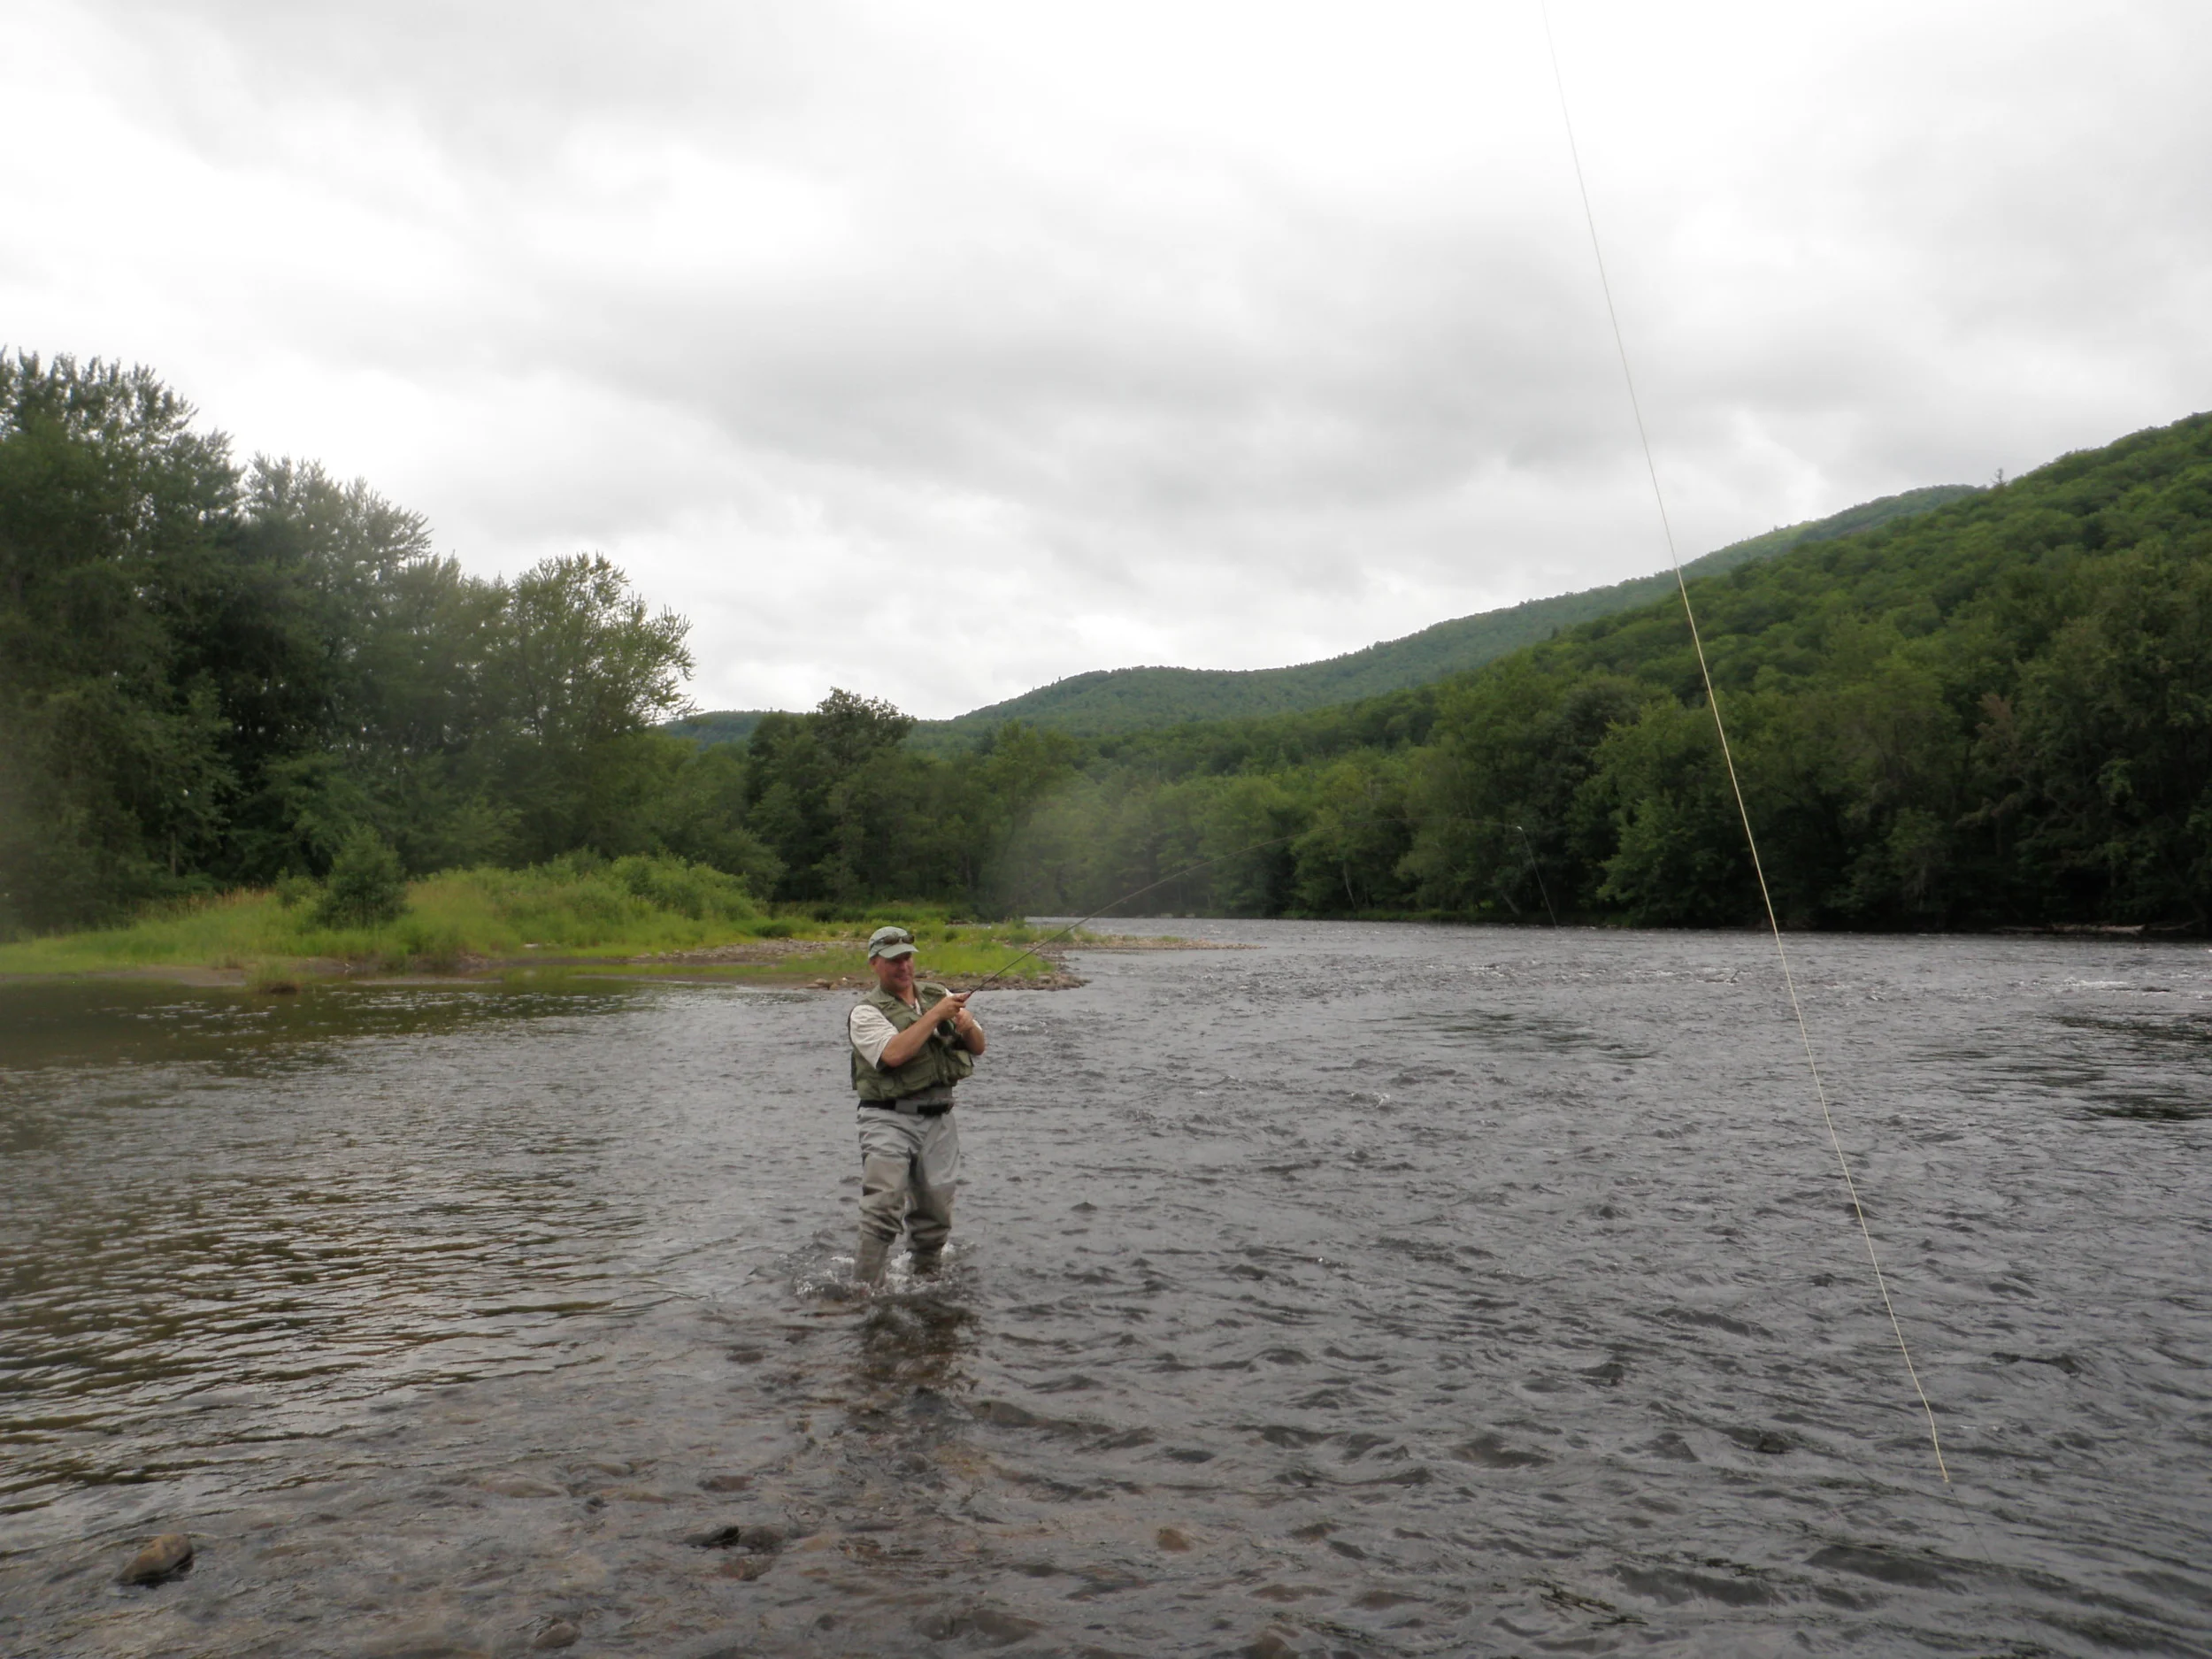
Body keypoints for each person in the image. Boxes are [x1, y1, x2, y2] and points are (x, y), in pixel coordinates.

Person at [845, 924, 987, 1284]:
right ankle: (863, 1291)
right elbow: (893, 1054)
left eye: (907, 958)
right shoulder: (864, 1013)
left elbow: (979, 1047)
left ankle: (926, 1283)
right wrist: (936, 1016)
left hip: (940, 1120)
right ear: (874, 964)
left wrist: (967, 1025)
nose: (903, 966)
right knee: (882, 1208)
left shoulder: (938, 995)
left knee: (936, 1215)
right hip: (887, 1118)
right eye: (893, 960)